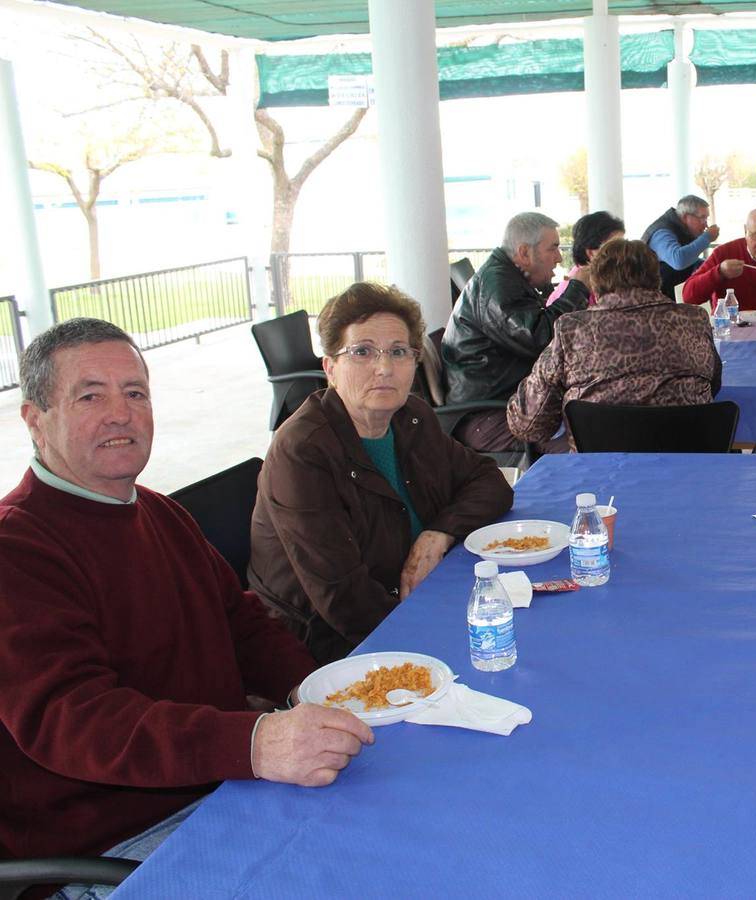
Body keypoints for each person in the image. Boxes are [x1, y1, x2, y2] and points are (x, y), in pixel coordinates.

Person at [0, 318, 373, 871]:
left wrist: (312, 691)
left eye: (135, 393)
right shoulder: (17, 548)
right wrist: (253, 744)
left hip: (218, 787)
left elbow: (242, 625)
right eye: (89, 396)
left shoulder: (157, 511)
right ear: (36, 420)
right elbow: (77, 720)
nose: (120, 413)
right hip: (114, 845)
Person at [252, 283, 513, 665]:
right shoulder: (303, 452)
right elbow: (345, 601)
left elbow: (489, 482)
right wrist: (443, 634)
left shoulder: (412, 417)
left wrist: (436, 535)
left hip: (412, 603)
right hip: (329, 647)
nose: (385, 368)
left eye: (398, 352)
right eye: (362, 352)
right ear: (330, 369)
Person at [507, 239, 721, 448]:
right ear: (656, 279)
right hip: (688, 466)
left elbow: (529, 425)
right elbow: (713, 383)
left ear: (596, 284)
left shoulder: (572, 328)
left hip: (599, 473)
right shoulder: (694, 319)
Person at [441, 211, 588, 451]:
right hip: (487, 415)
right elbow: (539, 337)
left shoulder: (506, 277)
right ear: (524, 253)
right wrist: (577, 289)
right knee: (582, 445)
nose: (559, 258)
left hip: (509, 402)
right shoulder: (497, 284)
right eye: (553, 248)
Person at [641, 194, 720, 299]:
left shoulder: (683, 230)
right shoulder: (662, 232)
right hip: (655, 299)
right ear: (686, 217)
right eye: (702, 218)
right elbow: (679, 261)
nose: (705, 224)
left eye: (706, 219)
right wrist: (707, 237)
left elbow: (690, 260)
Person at [547, 210, 624, 307]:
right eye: (616, 248)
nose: (624, 252)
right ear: (591, 253)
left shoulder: (602, 279)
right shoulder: (580, 287)